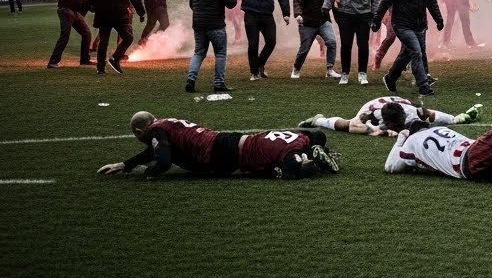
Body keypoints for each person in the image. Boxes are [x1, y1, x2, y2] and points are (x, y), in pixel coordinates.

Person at [97, 112, 340, 179]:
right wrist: (126, 164)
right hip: (229, 141)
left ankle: (312, 163)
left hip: (222, 152)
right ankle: (314, 155)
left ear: (140, 130)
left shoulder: (155, 131)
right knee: (312, 140)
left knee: (290, 171)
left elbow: (162, 160)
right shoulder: (165, 123)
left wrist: (149, 173)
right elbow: (157, 150)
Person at [372, 0, 443, 96]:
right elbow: (386, 0)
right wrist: (377, 19)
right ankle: (423, 86)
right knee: (416, 52)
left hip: (419, 25)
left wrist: (439, 19)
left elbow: (432, 3)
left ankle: (391, 78)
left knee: (407, 54)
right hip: (402, 24)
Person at [323, 0, 380, 85]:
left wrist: (375, 13)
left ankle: (362, 74)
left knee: (363, 45)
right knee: (346, 45)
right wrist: (326, 6)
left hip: (364, 15)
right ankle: (345, 74)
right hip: (346, 14)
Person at [299, 95, 480, 136]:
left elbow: (430, 113)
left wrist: (454, 119)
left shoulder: (411, 113)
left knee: (426, 124)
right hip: (373, 106)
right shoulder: (372, 113)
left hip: (398, 103)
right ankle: (318, 119)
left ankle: (459, 117)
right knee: (352, 127)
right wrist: (378, 130)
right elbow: (361, 124)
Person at [85, 0, 145, 75]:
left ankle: (100, 68)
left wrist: (90, 8)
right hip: (119, 14)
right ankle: (115, 58)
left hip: (103, 13)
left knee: (103, 41)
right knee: (128, 37)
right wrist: (141, 12)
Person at [184, 0, 237, 93]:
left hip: (199, 24)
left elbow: (192, 5)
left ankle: (190, 80)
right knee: (220, 54)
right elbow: (231, 3)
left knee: (198, 53)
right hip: (216, 25)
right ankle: (218, 84)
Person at [291, 0, 339, 80]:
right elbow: (297, 0)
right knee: (304, 48)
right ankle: (296, 69)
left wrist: (339, 13)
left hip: (323, 20)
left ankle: (329, 69)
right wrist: (298, 14)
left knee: (332, 42)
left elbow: (332, 0)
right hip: (307, 21)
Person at [48, 0, 95, 69]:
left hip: (75, 12)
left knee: (86, 33)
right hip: (65, 10)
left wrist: (92, 8)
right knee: (65, 35)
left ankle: (84, 60)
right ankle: (53, 61)